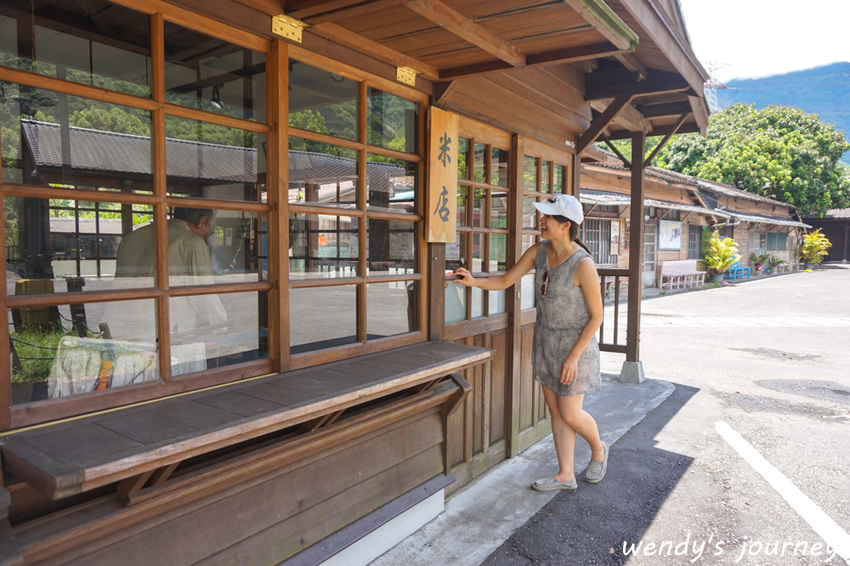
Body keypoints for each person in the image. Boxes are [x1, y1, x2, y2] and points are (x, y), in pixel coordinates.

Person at [454, 194, 608, 490]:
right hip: (546, 343)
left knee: (571, 413)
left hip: (576, 349)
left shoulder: (583, 264)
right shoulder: (540, 250)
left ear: (565, 225)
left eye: (548, 217)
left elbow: (596, 317)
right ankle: (566, 474)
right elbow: (505, 280)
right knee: (555, 410)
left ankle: (599, 448)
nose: (542, 221)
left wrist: (573, 357)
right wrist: (473, 282)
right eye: (543, 216)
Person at [114, 206, 227, 337]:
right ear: (202, 221)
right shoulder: (193, 243)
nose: (208, 233)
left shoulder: (131, 237)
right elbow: (205, 293)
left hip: (123, 325)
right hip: (168, 329)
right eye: (210, 229)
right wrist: (221, 326)